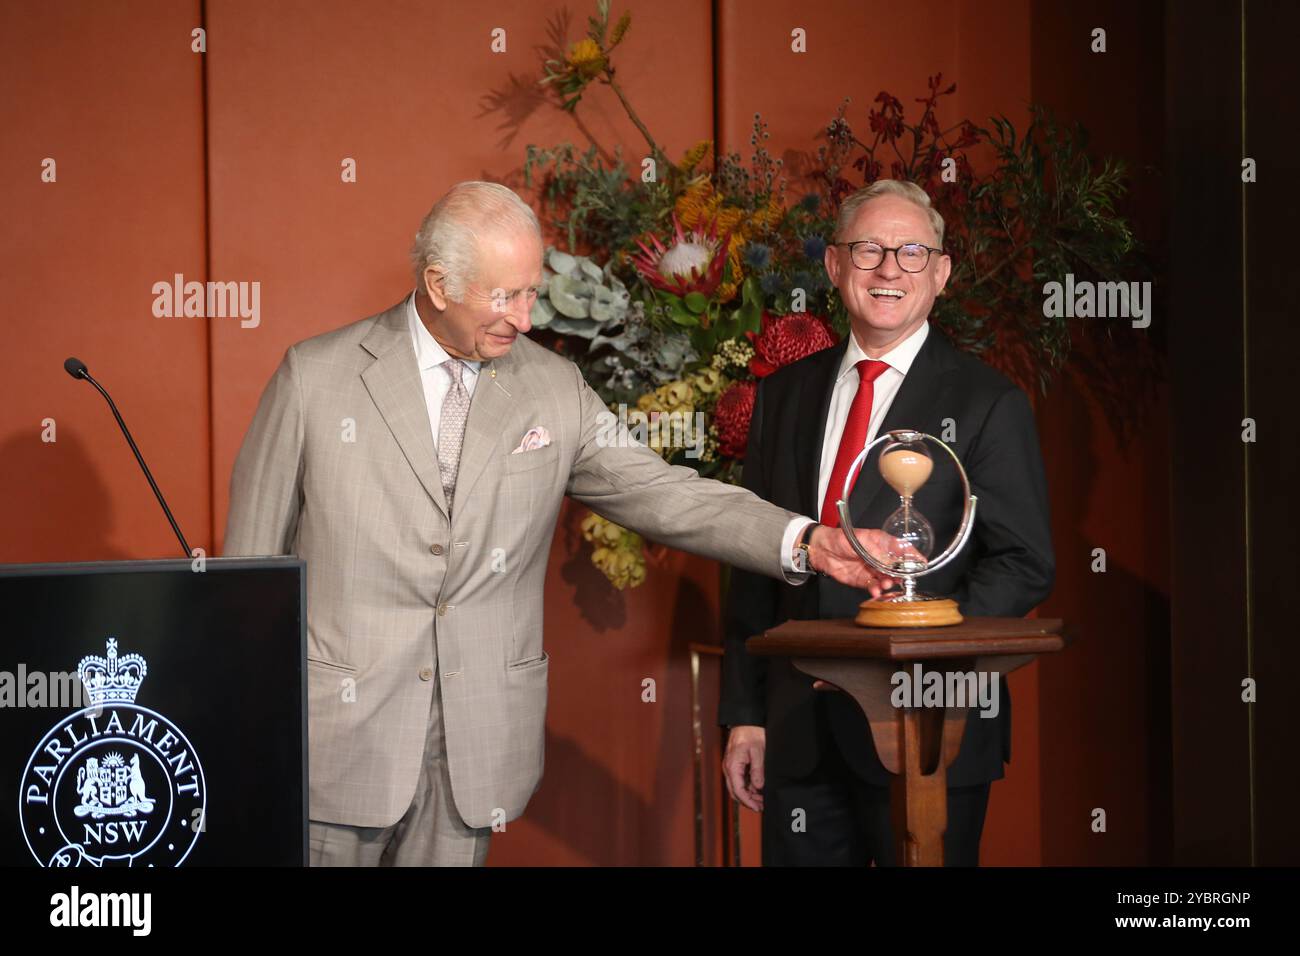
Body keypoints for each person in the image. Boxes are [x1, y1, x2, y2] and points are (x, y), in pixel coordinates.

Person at [223, 181, 898, 866]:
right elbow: (247, 583)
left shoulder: (552, 387)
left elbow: (663, 493)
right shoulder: (315, 379)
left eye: (531, 292)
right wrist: (243, 736)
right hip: (333, 747)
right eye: (503, 296)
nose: (523, 318)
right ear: (437, 284)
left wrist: (808, 541)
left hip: (474, 754)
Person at [720, 179, 1055, 866]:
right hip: (798, 733)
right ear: (835, 266)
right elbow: (753, 558)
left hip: (928, 729)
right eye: (869, 250)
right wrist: (745, 715)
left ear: (941, 273)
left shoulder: (989, 402)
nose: (889, 270)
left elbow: (1025, 562)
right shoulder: (784, 396)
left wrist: (923, 648)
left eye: (911, 252)